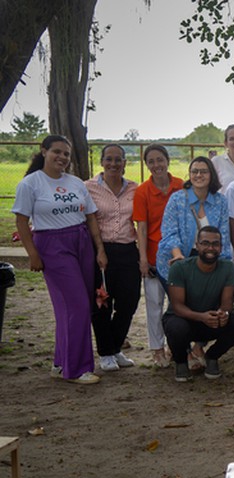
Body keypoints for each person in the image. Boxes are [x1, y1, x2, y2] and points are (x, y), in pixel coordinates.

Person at [13, 135, 107, 384]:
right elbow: (21, 221)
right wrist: (33, 253)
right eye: (57, 152)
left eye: (66, 154)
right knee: (77, 306)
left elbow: (90, 218)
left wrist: (99, 249)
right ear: (43, 152)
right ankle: (77, 369)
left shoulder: (76, 183)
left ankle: (61, 362)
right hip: (52, 245)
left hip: (81, 241)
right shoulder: (31, 184)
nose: (62, 157)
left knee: (71, 307)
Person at [163, 226, 234, 382]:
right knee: (176, 328)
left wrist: (223, 313)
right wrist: (201, 317)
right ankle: (181, 362)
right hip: (184, 319)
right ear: (197, 245)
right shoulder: (179, 268)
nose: (210, 248)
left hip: (211, 320)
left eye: (215, 244)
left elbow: (227, 302)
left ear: (221, 247)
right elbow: (177, 306)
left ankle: (212, 357)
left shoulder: (227, 267)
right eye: (205, 243)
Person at [85, 144, 140, 372]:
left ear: (125, 163)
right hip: (101, 251)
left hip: (128, 250)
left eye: (118, 159)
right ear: (101, 161)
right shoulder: (88, 187)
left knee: (129, 302)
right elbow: (89, 220)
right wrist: (99, 250)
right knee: (102, 303)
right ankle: (106, 353)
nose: (114, 164)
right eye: (109, 159)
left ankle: (116, 347)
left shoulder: (134, 189)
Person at [134, 144, 184, 367]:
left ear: (168, 161)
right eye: (151, 161)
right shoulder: (143, 191)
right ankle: (157, 349)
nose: (156, 165)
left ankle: (179, 346)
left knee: (179, 304)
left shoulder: (181, 187)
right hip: (154, 256)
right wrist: (143, 259)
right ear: (147, 165)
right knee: (154, 304)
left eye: (160, 160)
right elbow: (142, 228)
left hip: (177, 257)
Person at [157, 156, 232, 283]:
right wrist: (178, 256)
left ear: (211, 175)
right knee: (180, 302)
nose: (198, 175)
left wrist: (223, 265)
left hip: (209, 260)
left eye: (203, 172)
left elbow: (223, 236)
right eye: (194, 171)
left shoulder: (221, 201)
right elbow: (169, 232)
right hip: (177, 259)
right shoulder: (177, 199)